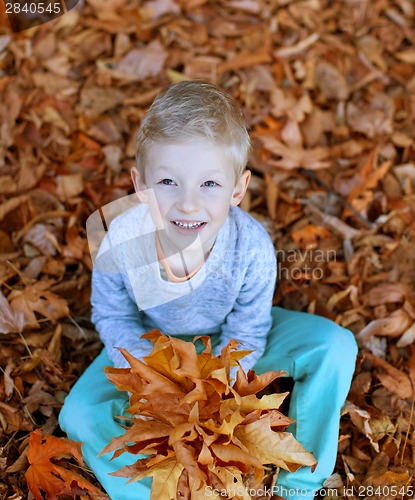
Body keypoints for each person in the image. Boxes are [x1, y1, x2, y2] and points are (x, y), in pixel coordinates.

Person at [58, 80, 358, 500]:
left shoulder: (250, 246)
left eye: (209, 184)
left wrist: (216, 388)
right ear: (140, 185)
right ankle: (150, 492)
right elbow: (113, 316)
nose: (187, 203)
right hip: (152, 343)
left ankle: (300, 484)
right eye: (168, 182)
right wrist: (158, 383)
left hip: (228, 341)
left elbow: (250, 326)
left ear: (238, 189)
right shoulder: (122, 241)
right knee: (79, 414)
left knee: (335, 346)